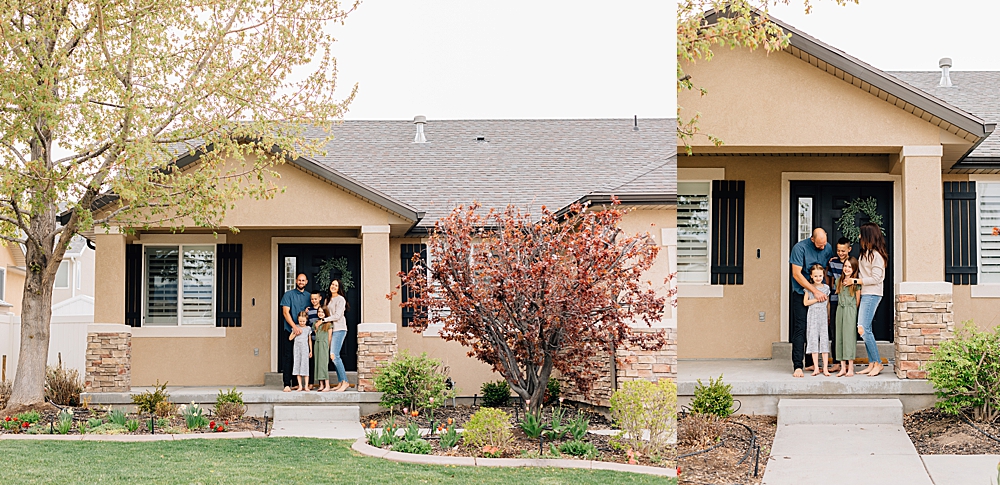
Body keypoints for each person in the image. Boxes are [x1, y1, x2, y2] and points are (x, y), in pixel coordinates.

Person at [843, 222, 888, 377]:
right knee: (864, 328)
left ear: (868, 236)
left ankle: (878, 363)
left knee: (863, 328)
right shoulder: (865, 253)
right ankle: (871, 363)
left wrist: (855, 282)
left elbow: (876, 279)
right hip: (865, 293)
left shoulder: (877, 256)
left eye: (861, 234)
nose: (859, 237)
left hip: (873, 294)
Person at [789, 228, 834, 377]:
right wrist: (814, 291)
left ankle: (810, 363)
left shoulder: (827, 247)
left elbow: (826, 269)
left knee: (815, 328)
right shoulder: (799, 248)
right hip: (802, 293)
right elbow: (796, 274)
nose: (823, 248)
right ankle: (798, 365)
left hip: (820, 295)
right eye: (819, 245)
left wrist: (825, 290)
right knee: (801, 327)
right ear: (812, 239)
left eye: (824, 244)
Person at [279, 273, 311, 392]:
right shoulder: (288, 295)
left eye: (303, 280)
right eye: (299, 280)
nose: (301, 282)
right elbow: (285, 312)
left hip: (304, 333)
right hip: (290, 331)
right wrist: (294, 327)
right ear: (296, 281)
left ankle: (304, 384)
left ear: (306, 282)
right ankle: (287, 384)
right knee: (289, 357)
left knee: (304, 357)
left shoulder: (309, 296)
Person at [824, 237, 852, 373]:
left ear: (849, 250)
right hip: (835, 300)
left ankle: (847, 362)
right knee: (835, 333)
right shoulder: (833, 263)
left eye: (843, 250)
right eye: (838, 250)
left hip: (848, 302)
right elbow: (829, 278)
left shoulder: (852, 263)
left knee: (847, 332)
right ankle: (836, 362)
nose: (840, 253)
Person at [322, 279, 350, 392]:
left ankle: (345, 381)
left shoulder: (340, 299)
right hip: (331, 330)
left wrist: (324, 320)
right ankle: (340, 382)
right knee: (333, 356)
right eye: (332, 284)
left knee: (334, 356)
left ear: (339, 288)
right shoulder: (327, 300)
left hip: (339, 329)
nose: (333, 286)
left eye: (336, 285)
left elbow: (338, 316)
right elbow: (323, 311)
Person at [835, 257, 861, 377]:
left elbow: (857, 300)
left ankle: (850, 367)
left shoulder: (855, 283)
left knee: (849, 338)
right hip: (840, 309)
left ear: (854, 269)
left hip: (850, 310)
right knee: (839, 337)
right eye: (845, 266)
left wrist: (852, 311)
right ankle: (842, 367)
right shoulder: (838, 281)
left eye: (850, 267)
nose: (847, 269)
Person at [803, 264, 831, 377]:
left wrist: (828, 316)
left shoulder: (826, 288)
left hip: (823, 316)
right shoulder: (809, 288)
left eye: (820, 275)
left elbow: (827, 304)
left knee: (824, 340)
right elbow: (805, 303)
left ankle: (825, 368)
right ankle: (815, 367)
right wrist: (816, 298)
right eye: (816, 276)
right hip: (812, 316)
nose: (818, 278)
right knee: (813, 340)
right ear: (811, 276)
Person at [310, 292, 332, 392]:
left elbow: (329, 337)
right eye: (319, 312)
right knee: (318, 364)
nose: (320, 314)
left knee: (323, 364)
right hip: (317, 344)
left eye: (322, 312)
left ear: (326, 313)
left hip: (324, 344)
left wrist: (329, 347)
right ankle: (321, 384)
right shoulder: (315, 323)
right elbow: (314, 332)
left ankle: (327, 385)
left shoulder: (328, 324)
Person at [289, 310, 313, 392]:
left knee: (305, 366)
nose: (302, 323)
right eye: (300, 321)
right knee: (297, 366)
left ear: (306, 320)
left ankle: (306, 385)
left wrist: (311, 351)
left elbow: (309, 340)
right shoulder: (295, 327)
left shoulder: (308, 328)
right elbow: (290, 338)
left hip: (305, 349)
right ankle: (300, 385)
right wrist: (296, 332)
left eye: (303, 321)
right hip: (297, 349)